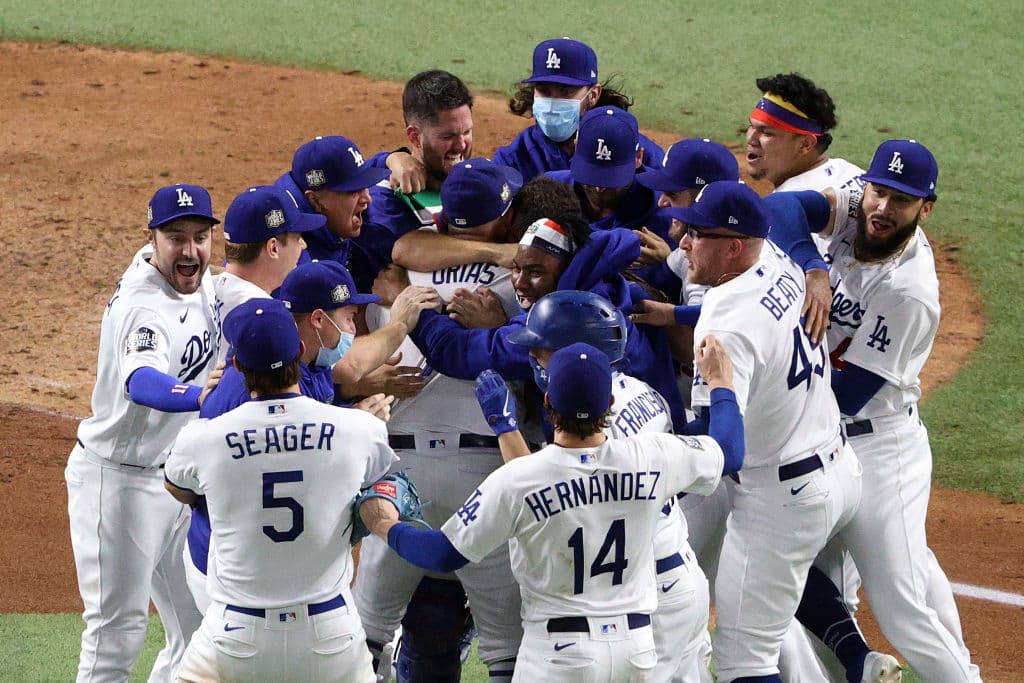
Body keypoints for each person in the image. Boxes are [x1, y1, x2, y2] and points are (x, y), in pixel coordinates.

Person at [358, 339, 744, 682]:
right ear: (609, 404)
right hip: (637, 649)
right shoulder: (653, 455)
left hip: (558, 654)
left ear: (547, 401)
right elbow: (730, 450)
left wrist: (385, 524)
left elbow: (442, 553)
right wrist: (721, 384)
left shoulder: (520, 478)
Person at [633, 181, 862, 683]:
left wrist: (648, 446)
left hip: (783, 497)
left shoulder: (724, 324)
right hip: (837, 466)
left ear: (733, 247)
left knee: (744, 662)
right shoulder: (778, 259)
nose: (683, 242)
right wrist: (674, 314)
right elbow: (752, 311)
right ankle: (857, 659)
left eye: (697, 234)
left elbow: (721, 447)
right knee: (772, 610)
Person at [771, 140, 982, 682]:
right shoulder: (855, 210)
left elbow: (847, 394)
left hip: (878, 449)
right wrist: (813, 269)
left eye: (902, 201)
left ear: (925, 209)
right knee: (819, 588)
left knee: (901, 606)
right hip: (823, 439)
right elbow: (779, 208)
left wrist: (770, 377)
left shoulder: (910, 291)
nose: (884, 208)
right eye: (879, 192)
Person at [353, 158, 528, 683]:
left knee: (364, 633)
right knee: (508, 648)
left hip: (398, 471)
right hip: (485, 473)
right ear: (503, 218)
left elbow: (355, 357)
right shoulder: (516, 278)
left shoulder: (401, 273)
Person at [165, 298, 396, 683]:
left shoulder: (202, 439)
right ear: (301, 350)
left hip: (236, 633)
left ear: (237, 365)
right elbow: (374, 482)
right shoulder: (361, 430)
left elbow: (178, 488)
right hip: (330, 632)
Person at [503, 289, 715, 682]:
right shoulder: (643, 392)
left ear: (575, 352)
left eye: (542, 349)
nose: (532, 355)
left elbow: (541, 498)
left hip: (646, 598)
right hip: (679, 576)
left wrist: (505, 431)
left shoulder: (596, 423)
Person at [65, 184, 222, 682]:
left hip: (174, 481)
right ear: (152, 238)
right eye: (176, 238)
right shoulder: (144, 307)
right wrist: (200, 397)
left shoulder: (199, 280)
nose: (191, 250)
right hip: (120, 486)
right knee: (116, 635)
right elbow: (142, 381)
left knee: (200, 627)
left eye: (200, 237)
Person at [409, 213, 688, 430]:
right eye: (516, 268)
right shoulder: (611, 288)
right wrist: (504, 324)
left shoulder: (569, 321)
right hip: (658, 440)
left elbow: (453, 351)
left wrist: (412, 302)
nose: (519, 282)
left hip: (620, 462)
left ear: (567, 270)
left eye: (535, 272)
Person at [494, 37, 663, 181]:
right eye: (544, 90)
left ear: (593, 95)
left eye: (566, 91)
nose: (553, 103)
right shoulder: (515, 158)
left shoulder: (630, 151)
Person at [213, 184, 324, 362]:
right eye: (297, 238)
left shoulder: (204, 290)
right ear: (273, 248)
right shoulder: (268, 321)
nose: (303, 245)